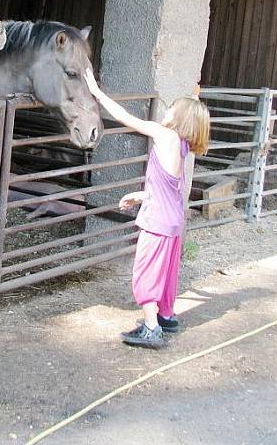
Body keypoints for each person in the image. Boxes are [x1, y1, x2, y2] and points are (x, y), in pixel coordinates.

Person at [84, 69, 210, 348]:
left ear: (180, 118)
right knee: (165, 272)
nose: (166, 110)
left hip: (158, 222)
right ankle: (166, 316)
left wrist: (96, 91)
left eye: (172, 108)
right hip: (173, 220)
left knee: (146, 273)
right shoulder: (183, 146)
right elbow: (167, 185)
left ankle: (152, 329)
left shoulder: (165, 136)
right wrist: (140, 195)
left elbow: (124, 118)